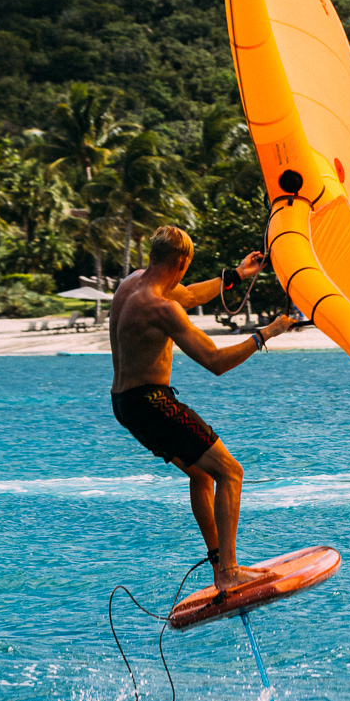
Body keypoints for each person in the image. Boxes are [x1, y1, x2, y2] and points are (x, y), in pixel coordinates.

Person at [109, 225, 295, 594]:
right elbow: (215, 361)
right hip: (152, 403)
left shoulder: (132, 283)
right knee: (230, 472)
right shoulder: (161, 308)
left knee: (201, 475)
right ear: (181, 262)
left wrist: (237, 275)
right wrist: (266, 334)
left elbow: (192, 294)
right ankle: (229, 571)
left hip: (124, 403)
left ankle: (220, 565)